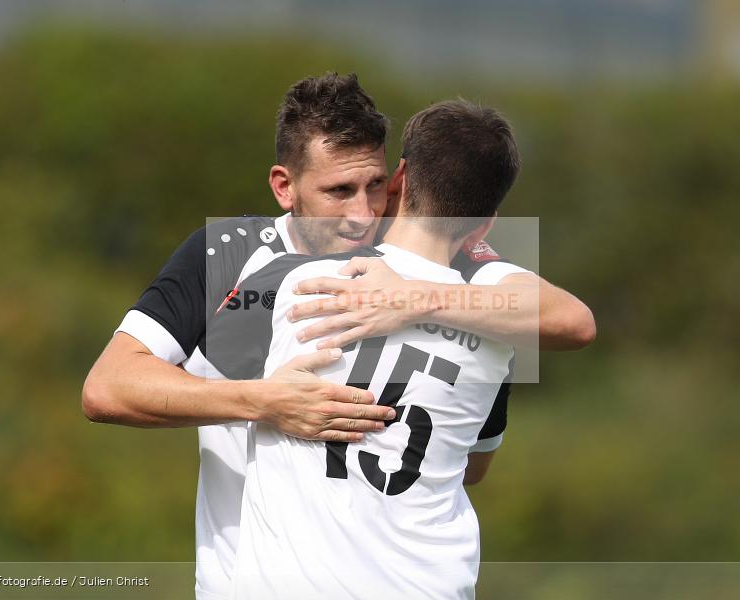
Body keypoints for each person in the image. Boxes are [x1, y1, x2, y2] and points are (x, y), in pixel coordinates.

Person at [81, 73, 595, 600]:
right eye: (338, 192)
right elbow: (107, 388)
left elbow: (570, 321)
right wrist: (262, 402)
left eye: (374, 186)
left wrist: (419, 298)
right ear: (285, 187)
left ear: (398, 179)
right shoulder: (233, 255)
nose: (362, 214)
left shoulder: (458, 278)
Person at [208, 99, 523, 599]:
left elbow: (187, 388)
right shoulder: (500, 333)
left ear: (397, 180)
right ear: (485, 224)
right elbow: (473, 468)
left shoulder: (295, 280)